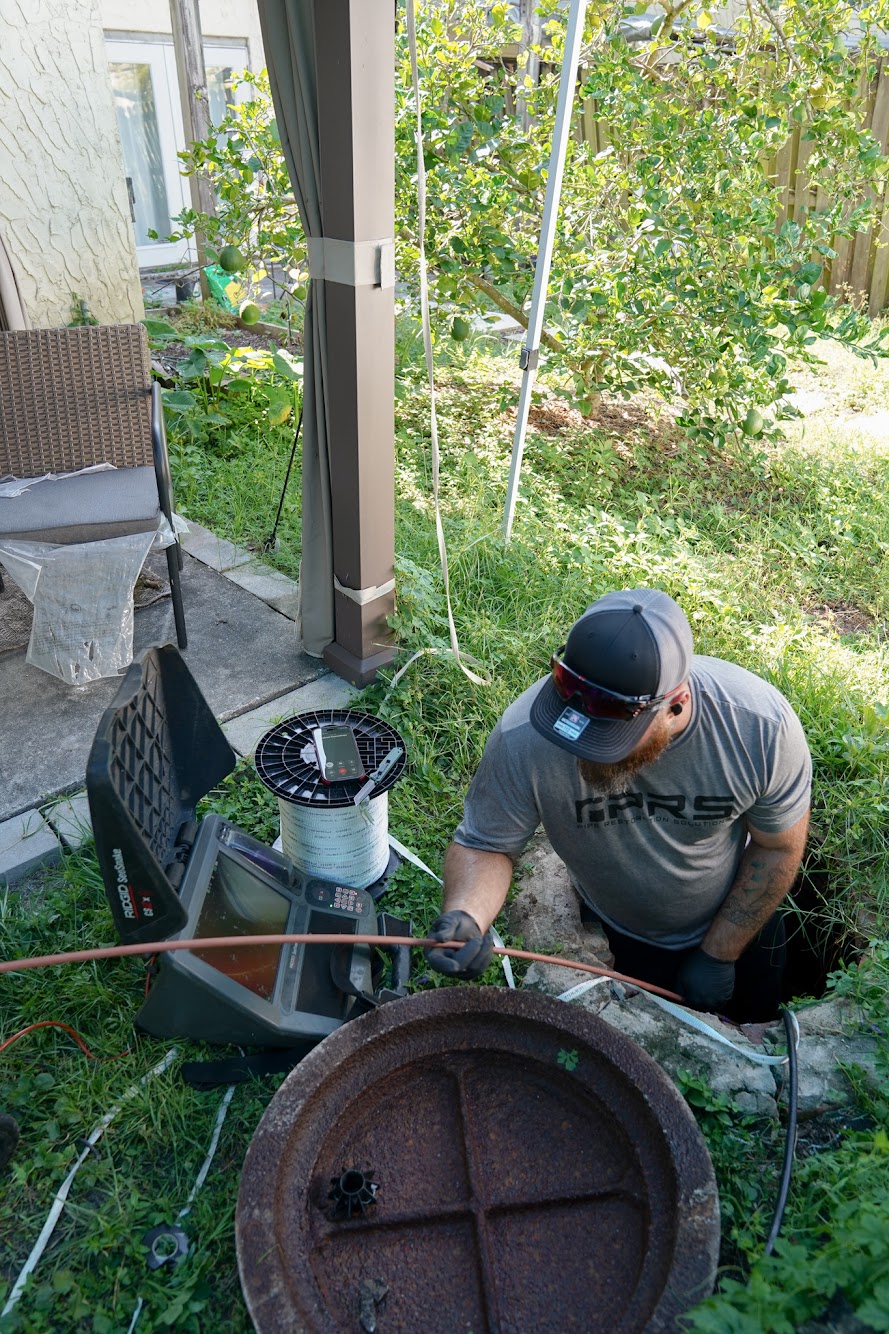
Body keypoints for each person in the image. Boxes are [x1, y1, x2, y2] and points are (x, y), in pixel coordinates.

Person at [425, 588, 812, 1022]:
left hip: (743, 929)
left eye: (610, 739)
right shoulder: (526, 735)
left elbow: (777, 845)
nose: (583, 747)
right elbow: (485, 843)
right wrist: (466, 915)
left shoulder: (759, 730)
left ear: (675, 704)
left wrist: (720, 952)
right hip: (623, 934)